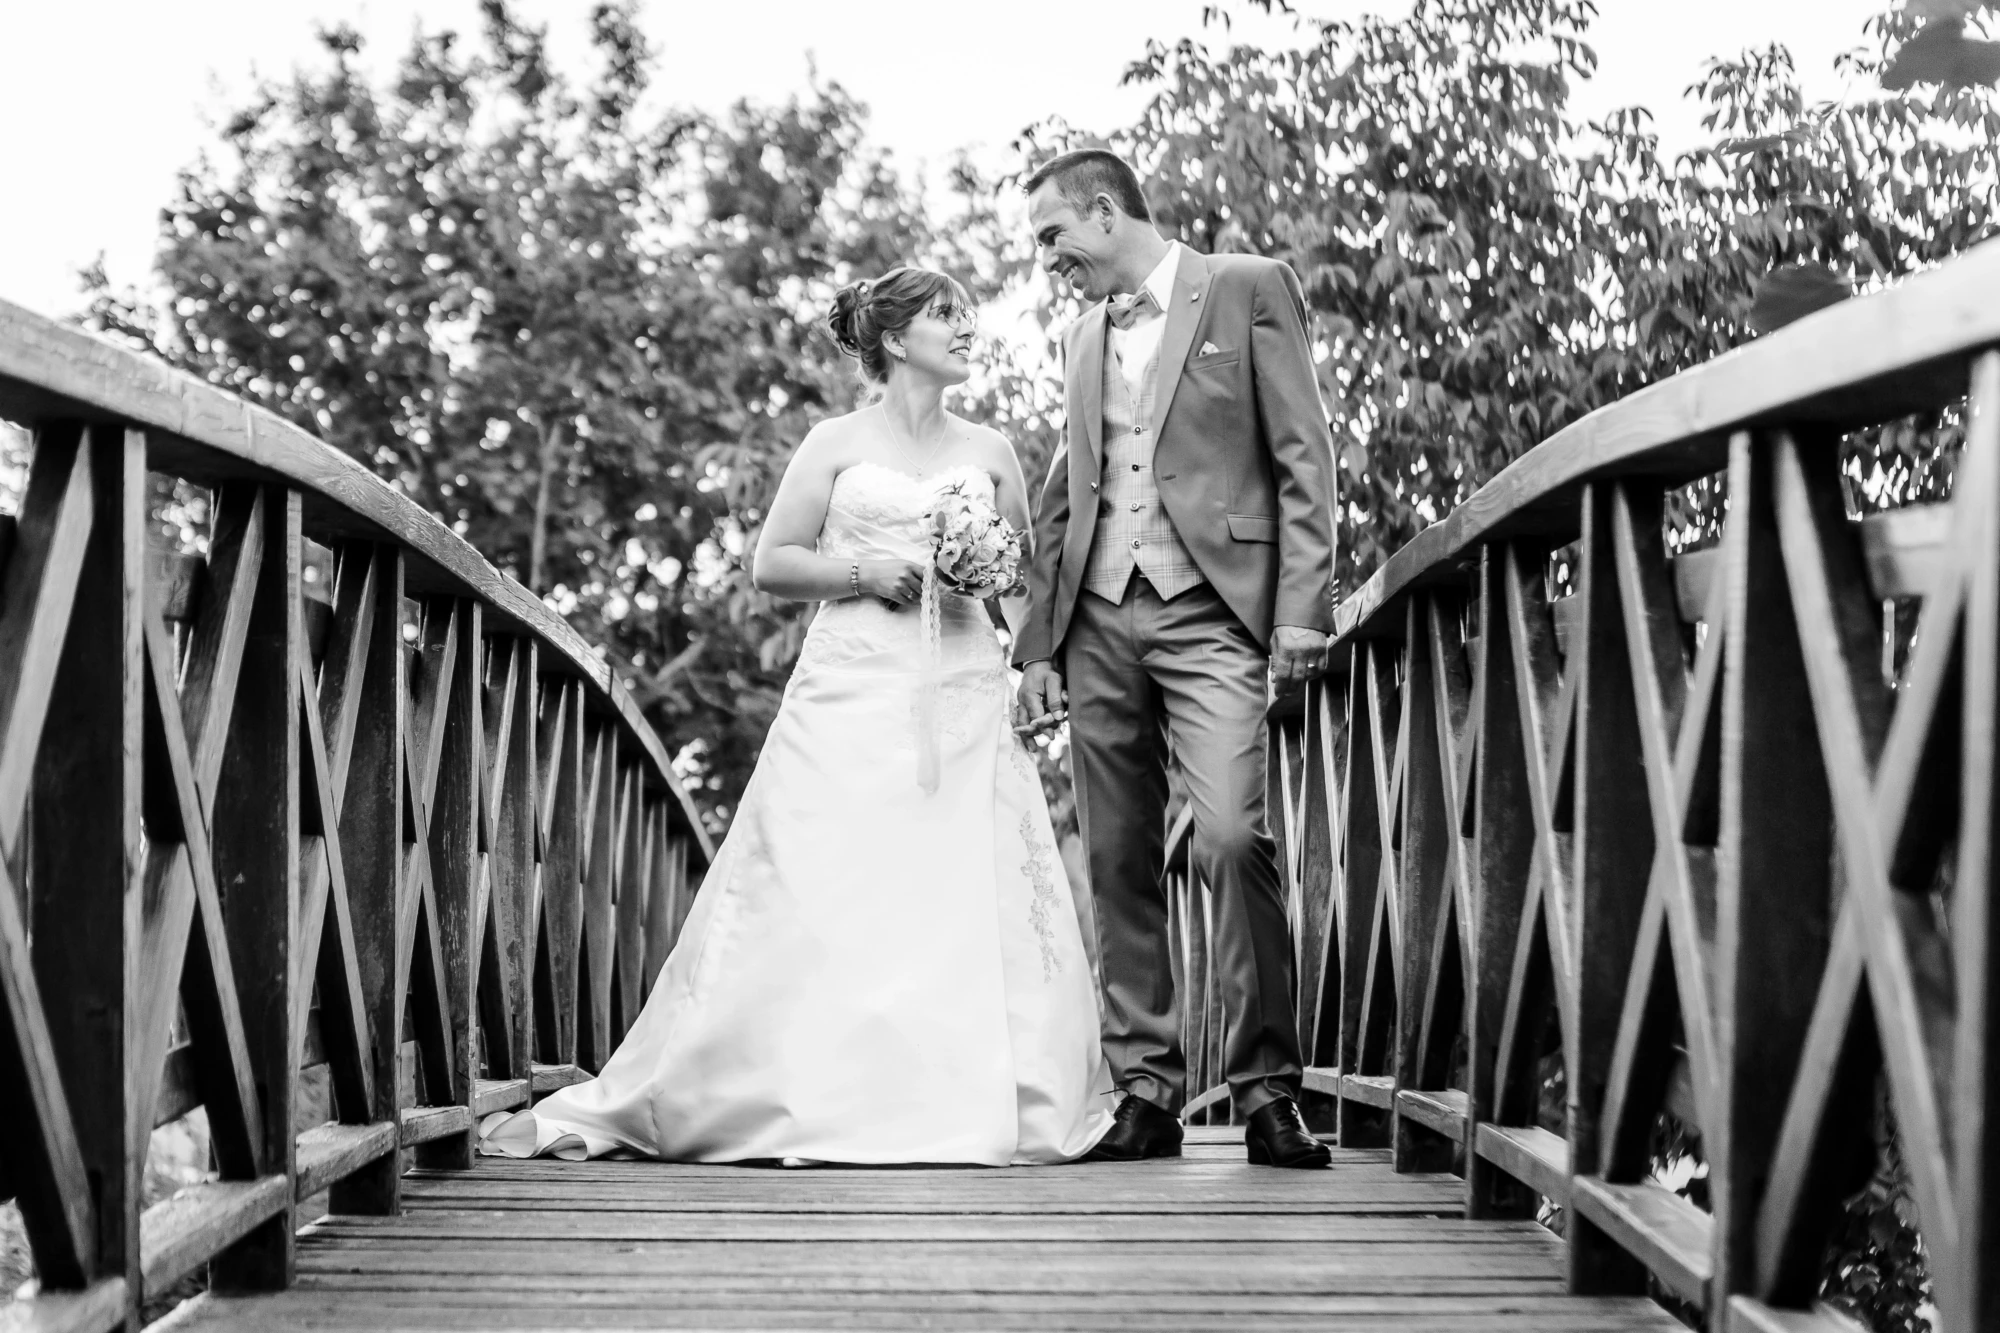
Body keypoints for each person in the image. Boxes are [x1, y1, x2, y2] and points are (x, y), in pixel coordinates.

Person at [480, 267, 1112, 1166]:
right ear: (895, 341)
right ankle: (813, 1084)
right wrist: (862, 574)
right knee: (831, 875)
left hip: (963, 689)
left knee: (958, 885)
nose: (967, 330)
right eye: (946, 317)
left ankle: (966, 1091)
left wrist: (1021, 635)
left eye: (968, 316)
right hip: (852, 684)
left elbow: (1022, 578)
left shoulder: (995, 451)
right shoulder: (833, 441)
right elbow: (772, 562)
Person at [1012, 149, 1338, 1169]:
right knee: (1113, 857)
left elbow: (1302, 453)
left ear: (1103, 214)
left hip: (1214, 615)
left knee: (1232, 836)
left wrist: (1301, 612)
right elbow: (1069, 490)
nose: (1048, 261)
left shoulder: (1244, 287)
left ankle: (1265, 1090)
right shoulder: (1077, 338)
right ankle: (1145, 1088)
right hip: (1099, 622)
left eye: (1052, 237)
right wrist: (1038, 644)